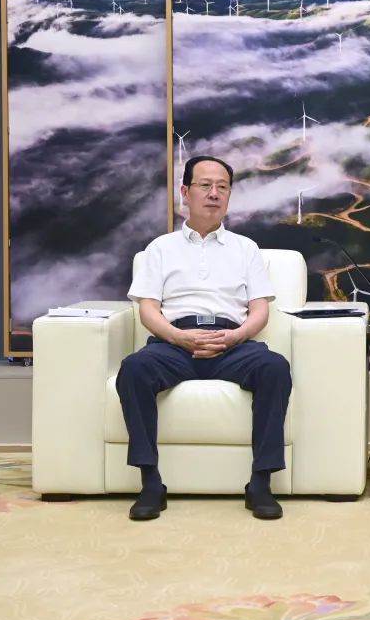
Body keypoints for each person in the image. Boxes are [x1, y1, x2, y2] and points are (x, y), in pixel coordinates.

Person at [117, 155, 291, 521]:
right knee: (134, 369)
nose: (214, 193)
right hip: (175, 342)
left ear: (229, 195)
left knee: (274, 367)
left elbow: (260, 309)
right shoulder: (160, 248)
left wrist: (236, 336)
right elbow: (148, 310)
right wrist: (178, 337)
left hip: (232, 343)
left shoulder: (246, 248)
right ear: (185, 192)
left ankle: (261, 483)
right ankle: (150, 482)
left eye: (222, 187)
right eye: (205, 185)